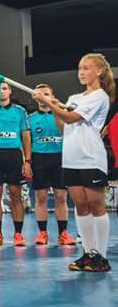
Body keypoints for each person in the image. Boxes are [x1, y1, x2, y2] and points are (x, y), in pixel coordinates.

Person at [35, 54, 115, 272]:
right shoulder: (73, 98)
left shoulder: (100, 96)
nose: (81, 72)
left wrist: (48, 102)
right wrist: (53, 106)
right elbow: (64, 126)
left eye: (87, 68)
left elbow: (71, 118)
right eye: (79, 68)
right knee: (80, 206)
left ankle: (102, 257)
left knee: (96, 206)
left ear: (98, 71)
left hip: (91, 157)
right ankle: (88, 254)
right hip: (71, 157)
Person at [28, 84, 71, 246]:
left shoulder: (62, 114)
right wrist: (28, 162)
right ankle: (42, 233)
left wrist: (57, 110)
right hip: (39, 159)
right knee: (41, 198)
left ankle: (63, 233)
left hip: (60, 158)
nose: (43, 96)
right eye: (40, 94)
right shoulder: (30, 119)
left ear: (52, 96)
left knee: (61, 197)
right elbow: (27, 142)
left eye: (46, 94)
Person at [0, 82, 32, 247]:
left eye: (4, 88)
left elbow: (26, 137)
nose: (1, 91)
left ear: (10, 91)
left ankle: (18, 234)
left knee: (16, 195)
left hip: (14, 156)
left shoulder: (20, 111)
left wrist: (28, 161)